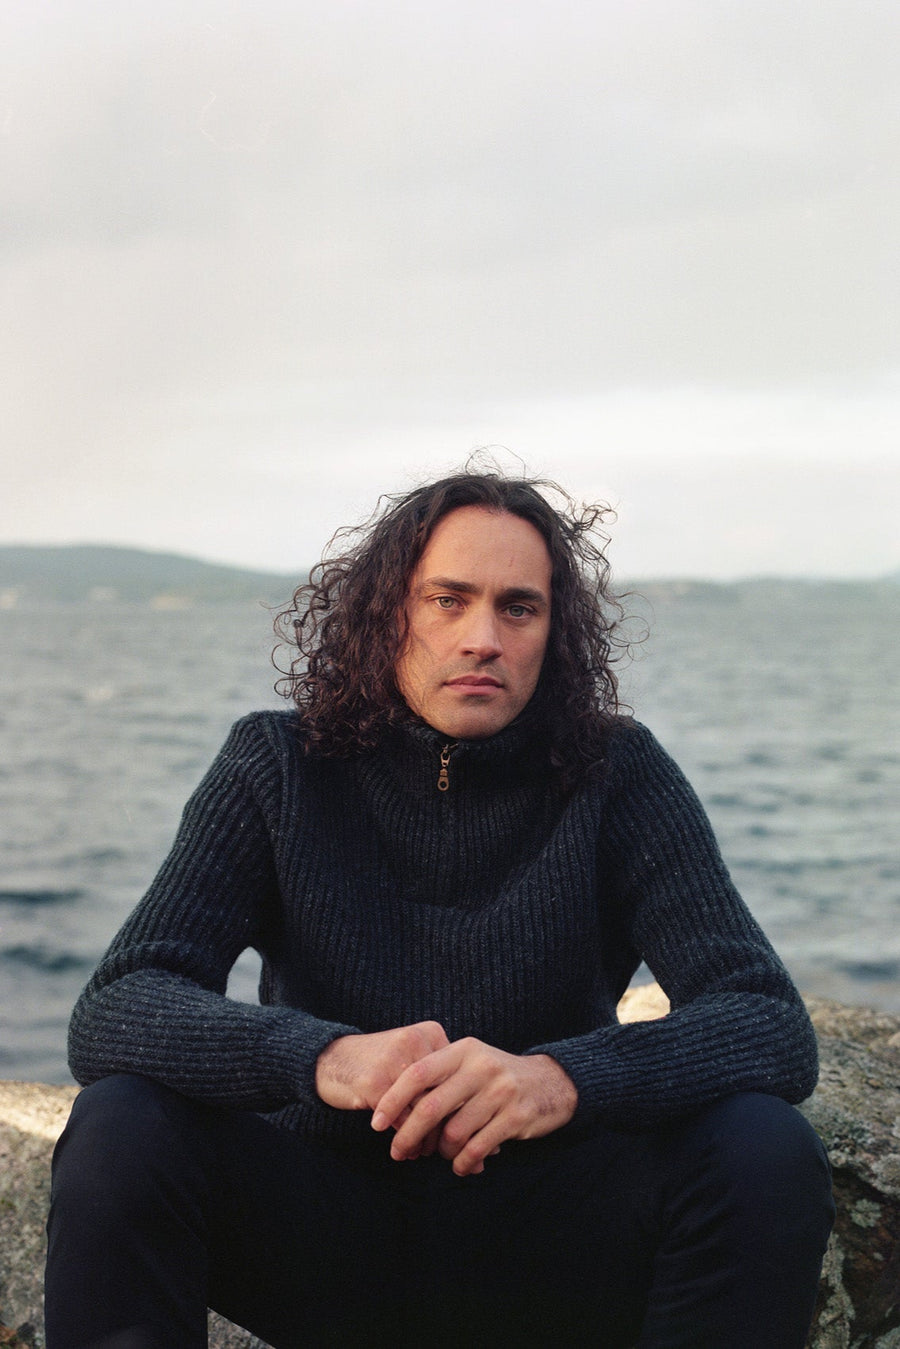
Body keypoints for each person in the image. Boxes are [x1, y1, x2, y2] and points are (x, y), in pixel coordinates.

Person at [45, 470, 834, 1349]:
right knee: (120, 1124)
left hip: (552, 1241)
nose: (483, 637)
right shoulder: (278, 765)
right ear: (391, 613)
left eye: (519, 608)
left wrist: (563, 1077)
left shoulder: (617, 773)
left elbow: (766, 1021)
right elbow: (118, 1004)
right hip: (323, 1237)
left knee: (764, 1145)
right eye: (448, 600)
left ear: (554, 632)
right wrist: (322, 1056)